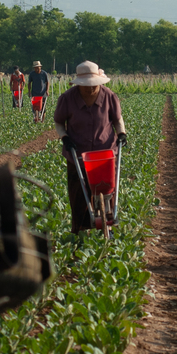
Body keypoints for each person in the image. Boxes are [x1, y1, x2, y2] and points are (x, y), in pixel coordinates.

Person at [55, 61, 127, 235]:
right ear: (78, 84)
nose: (90, 89)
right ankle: (80, 230)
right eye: (85, 86)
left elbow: (117, 119)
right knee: (79, 193)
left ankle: (107, 225)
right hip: (78, 154)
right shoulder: (67, 98)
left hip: (105, 154)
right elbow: (59, 122)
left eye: (93, 85)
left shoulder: (109, 96)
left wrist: (122, 133)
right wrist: (64, 138)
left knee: (107, 190)